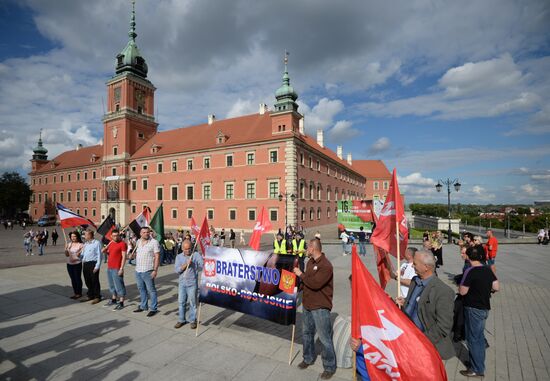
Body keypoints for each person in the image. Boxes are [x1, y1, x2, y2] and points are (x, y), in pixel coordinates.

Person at [396, 250, 455, 360]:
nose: (412, 266)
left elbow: (443, 327)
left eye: (415, 264)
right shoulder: (415, 280)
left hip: (427, 346)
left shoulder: (443, 292)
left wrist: (420, 341)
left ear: (426, 267)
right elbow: (415, 304)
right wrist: (405, 302)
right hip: (407, 337)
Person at [294, 239, 336, 380]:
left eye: (308, 247)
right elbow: (307, 282)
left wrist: (300, 274)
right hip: (307, 304)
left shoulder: (326, 265)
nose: (306, 249)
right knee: (306, 334)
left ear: (313, 248)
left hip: (320, 307)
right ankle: (308, 358)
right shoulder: (310, 262)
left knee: (324, 338)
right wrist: (296, 289)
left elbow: (315, 283)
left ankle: (329, 366)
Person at [459, 246, 499, 378]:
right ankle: (477, 363)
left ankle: (477, 369)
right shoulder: (487, 270)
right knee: (479, 338)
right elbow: (496, 287)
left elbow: (462, 291)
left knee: (473, 339)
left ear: (469, 257)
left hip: (472, 308)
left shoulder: (470, 271)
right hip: (484, 308)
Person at [174, 239, 203, 329]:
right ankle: (181, 320)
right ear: (182, 248)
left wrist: (195, 264)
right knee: (181, 302)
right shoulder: (179, 257)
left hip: (192, 283)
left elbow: (202, 266)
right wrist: (186, 265)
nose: (187, 251)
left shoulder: (196, 255)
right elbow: (177, 270)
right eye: (185, 249)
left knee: (192, 303)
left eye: (189, 248)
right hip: (182, 283)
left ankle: (192, 320)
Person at [132, 227, 161, 317]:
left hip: (148, 270)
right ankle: (143, 306)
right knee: (141, 289)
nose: (146, 234)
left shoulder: (154, 242)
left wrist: (155, 270)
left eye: (147, 232)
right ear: (140, 233)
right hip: (138, 270)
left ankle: (153, 308)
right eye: (144, 232)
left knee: (151, 290)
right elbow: (138, 254)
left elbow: (157, 257)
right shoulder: (138, 242)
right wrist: (132, 255)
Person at [102, 229, 127, 310]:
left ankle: (121, 302)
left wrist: (121, 268)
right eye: (114, 236)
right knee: (111, 285)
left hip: (117, 268)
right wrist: (105, 251)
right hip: (110, 267)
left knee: (119, 285)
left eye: (117, 235)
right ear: (111, 236)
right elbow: (110, 253)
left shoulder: (122, 244)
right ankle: (113, 299)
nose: (116, 237)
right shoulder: (111, 243)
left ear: (119, 235)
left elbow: (124, 257)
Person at [80, 230, 102, 304]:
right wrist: (80, 255)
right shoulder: (85, 244)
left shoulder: (97, 243)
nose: (84, 236)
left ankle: (97, 296)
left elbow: (99, 255)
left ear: (90, 235)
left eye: (85, 235)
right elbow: (83, 255)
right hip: (86, 264)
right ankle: (90, 295)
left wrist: (97, 266)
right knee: (87, 280)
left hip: (93, 263)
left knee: (94, 280)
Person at [65, 231, 84, 299]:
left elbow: (82, 256)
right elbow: (67, 255)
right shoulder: (69, 244)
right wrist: (66, 251)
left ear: (77, 236)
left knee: (77, 278)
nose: (73, 238)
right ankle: (75, 292)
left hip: (77, 264)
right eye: (72, 236)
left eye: (74, 236)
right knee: (72, 279)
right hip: (69, 264)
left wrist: (79, 255)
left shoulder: (81, 245)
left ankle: (79, 293)